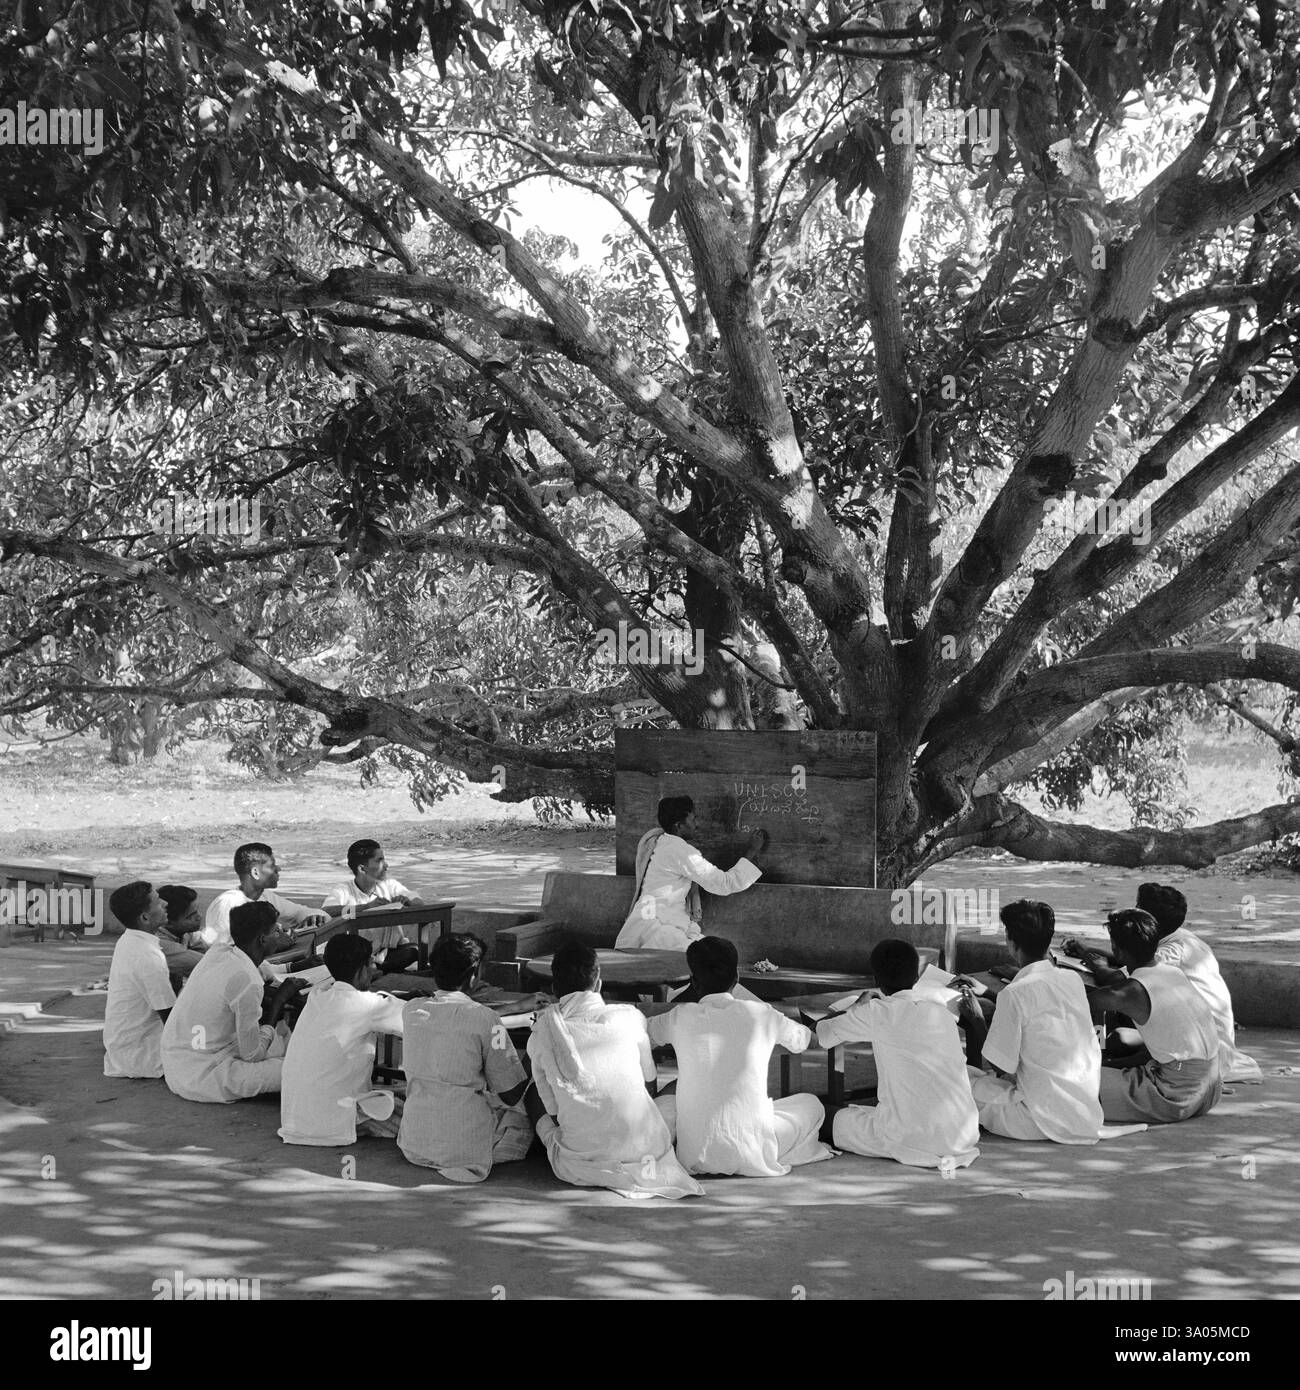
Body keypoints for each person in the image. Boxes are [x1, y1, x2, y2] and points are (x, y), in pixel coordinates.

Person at [527, 941, 704, 1200]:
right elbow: (649, 1086)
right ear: (598, 983)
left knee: (534, 1093)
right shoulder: (630, 1017)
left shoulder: (542, 1033)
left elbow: (553, 1112)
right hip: (647, 1153)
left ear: (554, 989)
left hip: (580, 1165)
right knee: (678, 1086)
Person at [646, 935, 830, 1177]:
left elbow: (640, 1030)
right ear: (737, 979)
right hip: (754, 1151)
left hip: (692, 1156)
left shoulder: (679, 1016)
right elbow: (806, 1041)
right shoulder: (762, 1014)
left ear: (694, 982)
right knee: (811, 1104)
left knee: (672, 1093)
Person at [816, 938, 981, 1169]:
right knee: (876, 1112)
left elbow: (823, 1033)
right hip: (963, 1135)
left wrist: (855, 1007)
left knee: (819, 1113)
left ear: (876, 980)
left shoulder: (877, 1012)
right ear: (916, 976)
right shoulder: (941, 1013)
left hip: (909, 1139)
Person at [1080, 884, 1259, 1084]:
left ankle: (1105, 1062)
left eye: (1138, 908)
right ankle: (1110, 1062)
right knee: (1118, 1038)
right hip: (1203, 1048)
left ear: (1149, 921)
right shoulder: (1178, 946)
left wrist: (1097, 964)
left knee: (1090, 1075)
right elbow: (1131, 958)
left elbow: (1116, 982)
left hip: (1193, 1065)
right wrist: (1093, 953)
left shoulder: (1169, 954)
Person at [961, 901, 1103, 1144]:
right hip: (1084, 1114)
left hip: (1037, 1120)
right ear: (1049, 942)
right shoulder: (1071, 979)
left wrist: (976, 1021)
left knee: (958, 1079)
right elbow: (1037, 1009)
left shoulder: (1014, 993)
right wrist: (989, 993)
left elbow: (1001, 1066)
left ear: (1011, 942)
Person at [397, 933, 532, 1182]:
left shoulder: (412, 1010)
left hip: (414, 1146)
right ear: (473, 976)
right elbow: (511, 1093)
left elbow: (457, 1015)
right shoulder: (486, 1020)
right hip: (464, 1150)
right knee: (521, 1116)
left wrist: (514, 1009)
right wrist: (534, 1053)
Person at [1087, 908, 1222, 1124]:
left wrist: (1097, 1048)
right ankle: (1104, 1063)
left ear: (1117, 951)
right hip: (1211, 1088)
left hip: (1174, 1095)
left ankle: (1099, 1062)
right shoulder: (1173, 973)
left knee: (1069, 1083)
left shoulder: (1129, 992)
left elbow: (1087, 1004)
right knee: (1122, 1036)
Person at [162, 901, 304, 1103]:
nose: (282, 934)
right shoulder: (247, 980)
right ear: (263, 940)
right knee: (300, 1068)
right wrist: (278, 1002)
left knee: (282, 1037)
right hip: (202, 1075)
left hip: (178, 1060)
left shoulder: (218, 952)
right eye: (277, 931)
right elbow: (252, 1055)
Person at [278, 933, 406, 1146]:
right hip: (333, 1122)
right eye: (371, 965)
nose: (373, 971)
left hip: (295, 1121)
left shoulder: (316, 997)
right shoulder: (367, 1005)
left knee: (394, 1096)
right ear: (362, 970)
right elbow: (413, 1022)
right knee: (420, 1115)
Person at [615, 796, 768, 951]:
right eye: (693, 819)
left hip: (649, 922)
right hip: (658, 929)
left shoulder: (662, 842)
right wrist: (752, 851)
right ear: (679, 826)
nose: (697, 824)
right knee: (711, 958)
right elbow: (724, 883)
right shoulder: (680, 852)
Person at [201, 843, 329, 980]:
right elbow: (225, 955)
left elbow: (300, 912)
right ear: (255, 873)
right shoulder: (227, 904)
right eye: (272, 866)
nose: (278, 869)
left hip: (262, 971)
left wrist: (313, 916)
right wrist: (274, 943)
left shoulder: (265, 897)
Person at [103, 881, 175, 1079]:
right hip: (143, 1056)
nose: (166, 903)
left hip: (124, 1050)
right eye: (159, 902)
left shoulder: (130, 939)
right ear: (144, 917)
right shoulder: (147, 954)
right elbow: (170, 1017)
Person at [320, 839, 422, 974]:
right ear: (362, 868)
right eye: (379, 860)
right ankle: (370, 969)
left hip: (389, 955)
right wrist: (365, 908)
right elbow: (326, 912)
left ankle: (373, 969)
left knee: (414, 951)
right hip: (357, 958)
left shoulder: (390, 885)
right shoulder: (343, 890)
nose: (386, 865)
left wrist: (407, 901)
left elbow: (419, 902)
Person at [156, 885, 207, 985]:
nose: (199, 917)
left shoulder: (184, 933)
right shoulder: (159, 944)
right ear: (168, 921)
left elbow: (208, 945)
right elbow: (206, 963)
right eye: (191, 916)